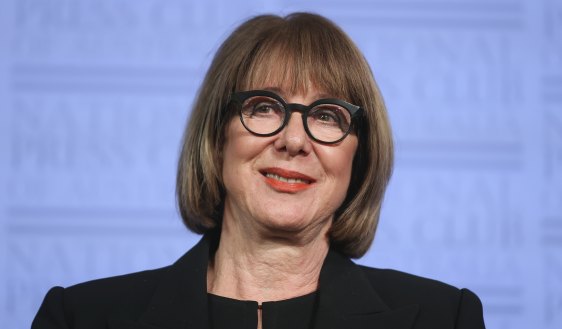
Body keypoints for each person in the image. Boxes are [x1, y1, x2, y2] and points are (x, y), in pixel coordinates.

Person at [32, 12, 485, 329]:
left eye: (327, 116)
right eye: (265, 107)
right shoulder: (80, 317)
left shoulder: (444, 318)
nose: (293, 140)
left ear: (359, 157)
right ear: (217, 136)